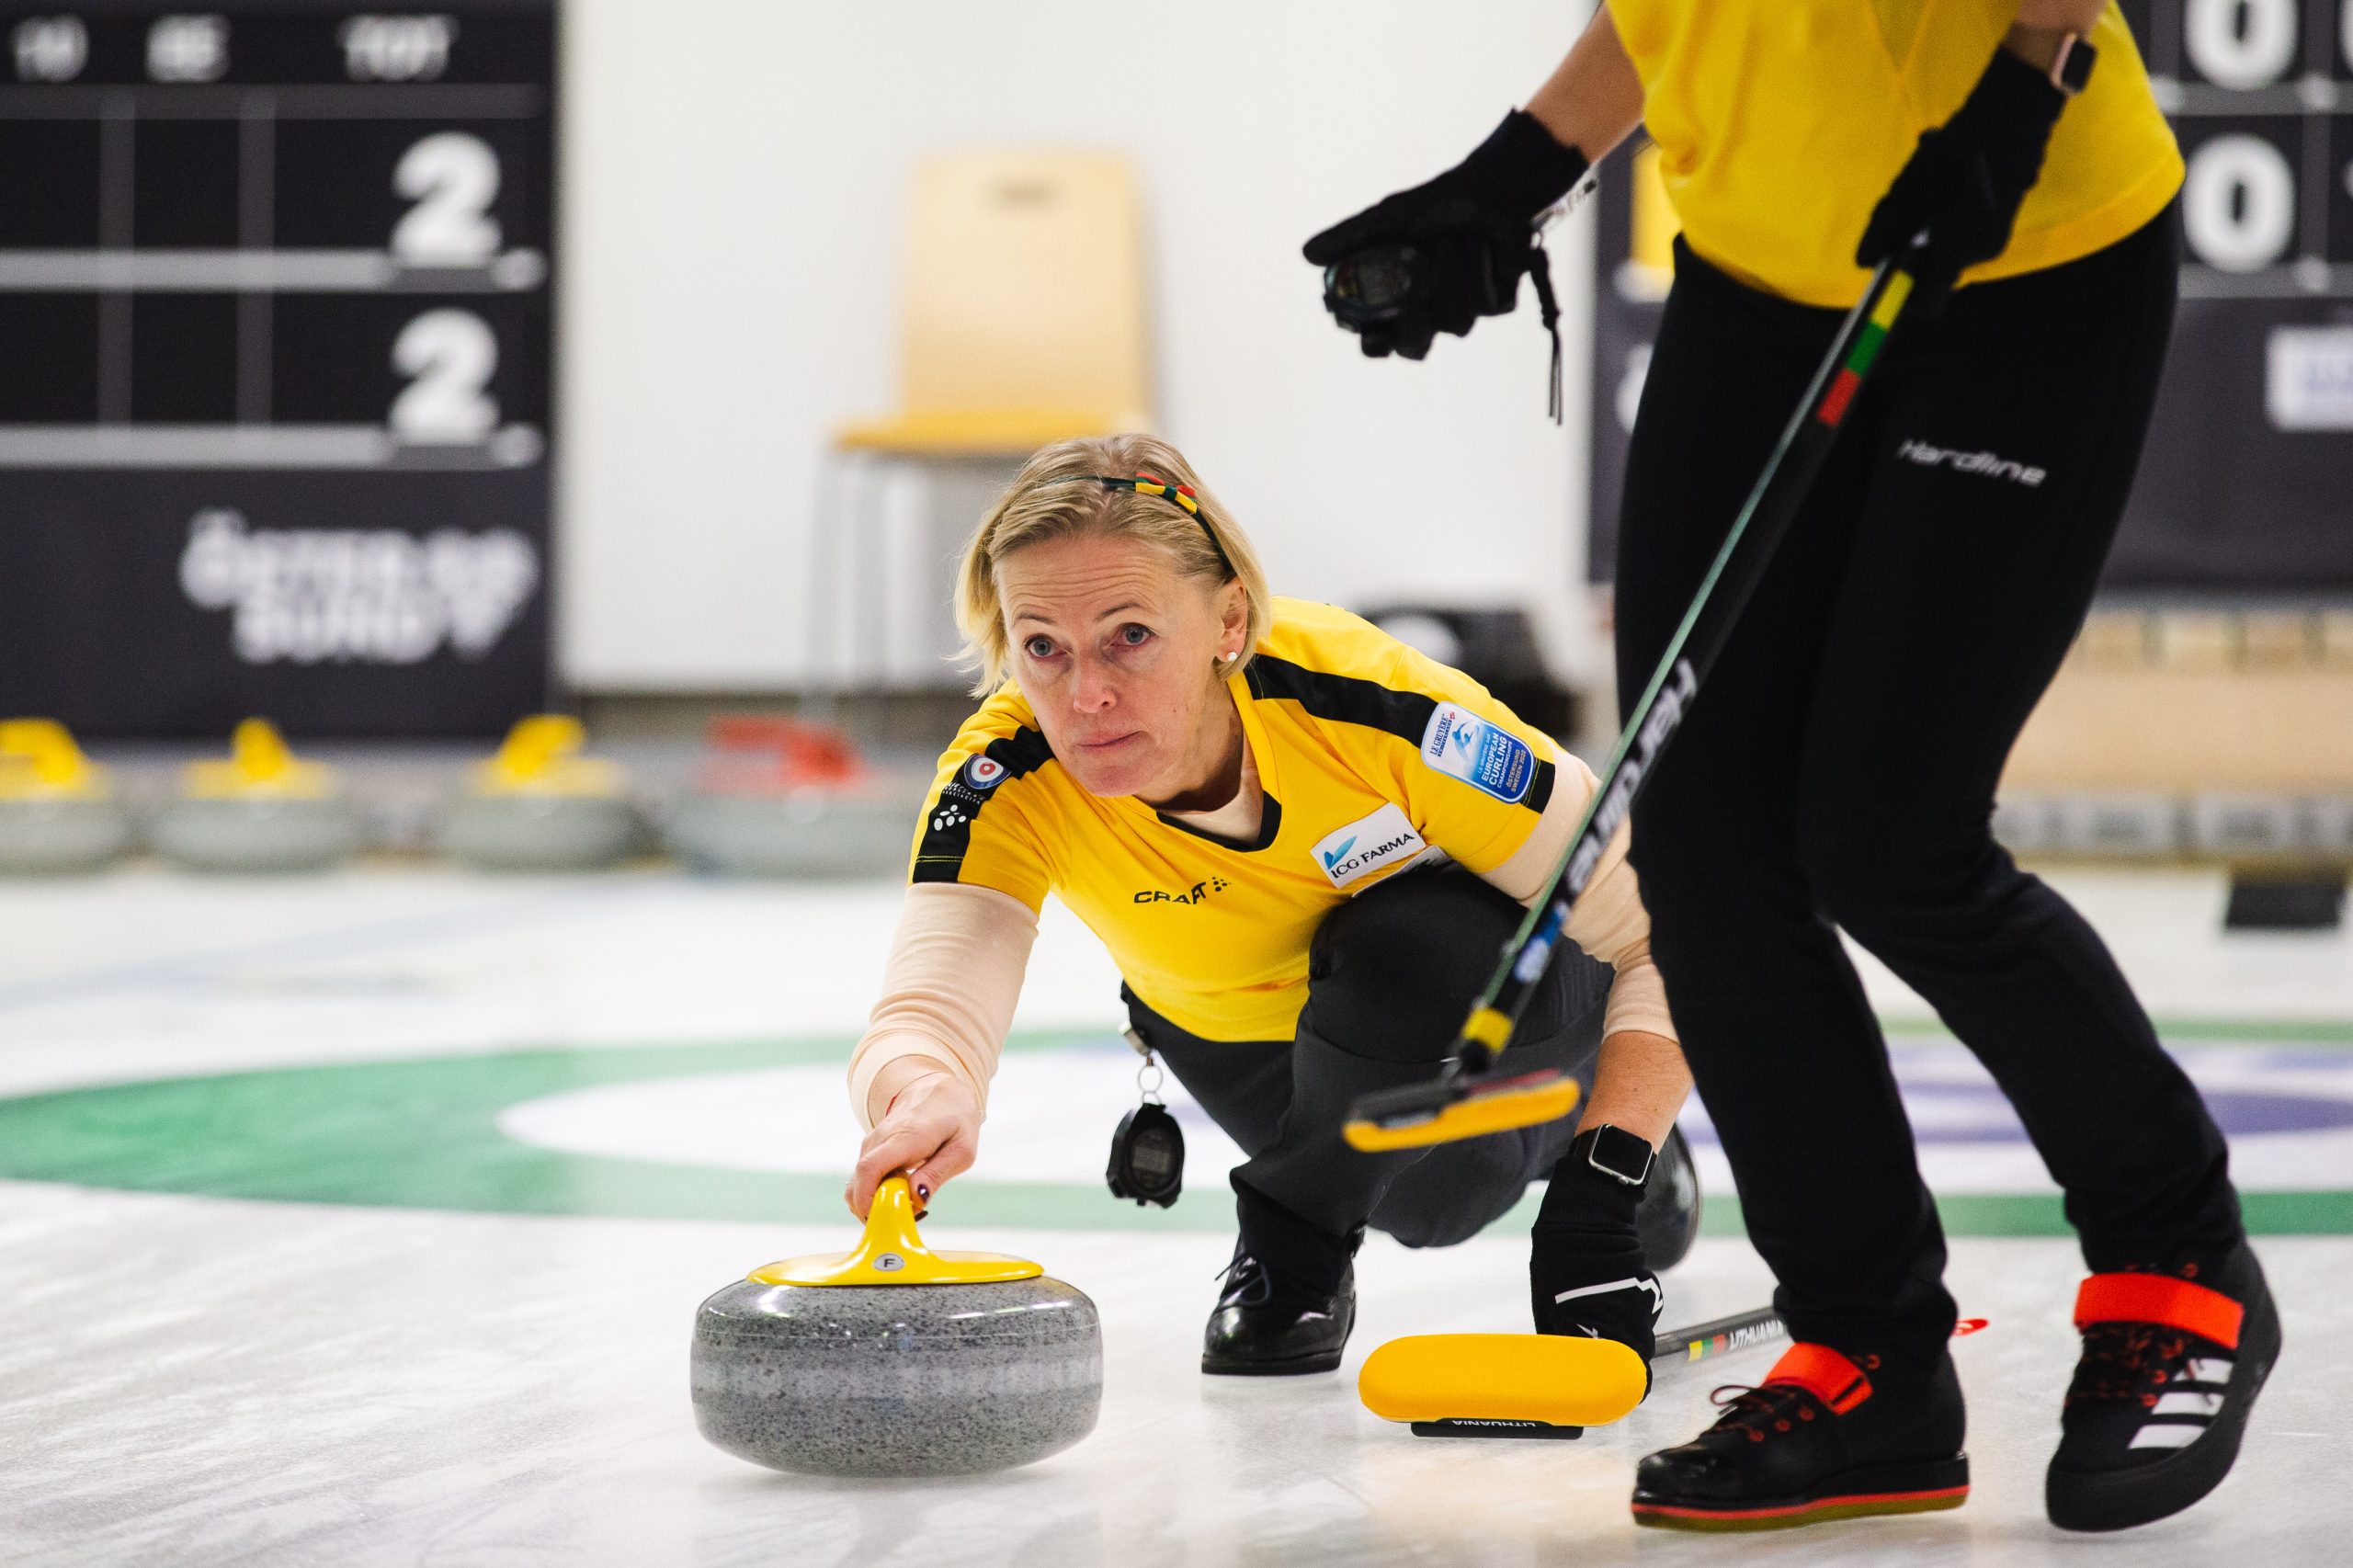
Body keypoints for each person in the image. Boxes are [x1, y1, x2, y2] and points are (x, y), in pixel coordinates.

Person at [1305, 0, 2276, 1535]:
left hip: (2025, 253)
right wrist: (1516, 170)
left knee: (1888, 833)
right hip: (1759, 273)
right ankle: (1871, 1353)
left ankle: (2178, 1251)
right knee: (1700, 847)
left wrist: (2019, 100)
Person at [844, 432, 1699, 1378]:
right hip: (1238, 1040)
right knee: (1425, 1208)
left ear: (1227, 620)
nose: (1085, 693)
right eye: (1041, 646)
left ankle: (1317, 1234)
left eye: (1131, 635)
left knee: (1413, 949)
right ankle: (1345, 1203)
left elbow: (1667, 934)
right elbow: (932, 999)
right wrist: (926, 1091)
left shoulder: (1380, 712)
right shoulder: (1006, 772)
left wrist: (1603, 1182)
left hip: (1477, 995)